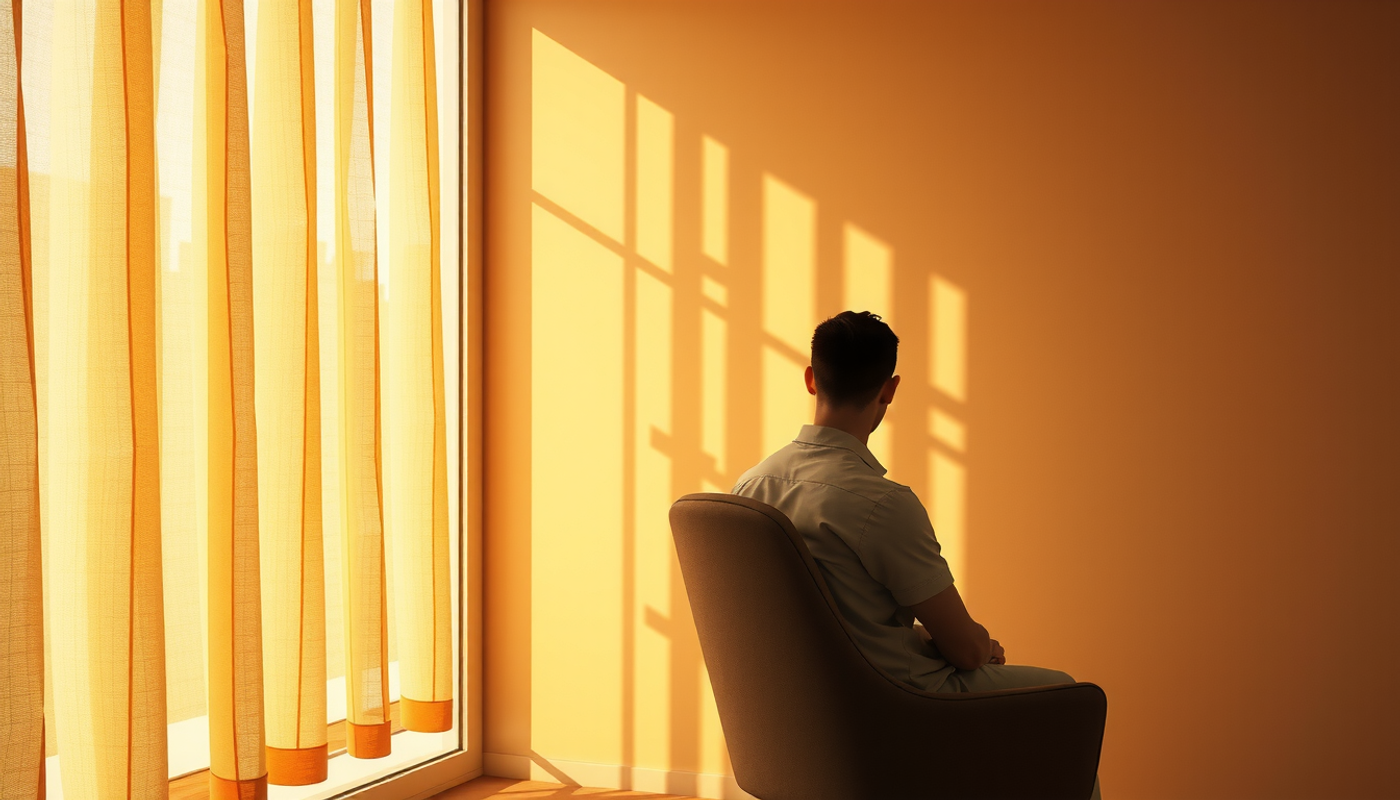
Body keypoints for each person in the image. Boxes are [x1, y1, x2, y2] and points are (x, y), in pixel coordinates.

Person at [732, 311, 1101, 798]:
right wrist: (976, 642)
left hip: (793, 719)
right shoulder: (881, 505)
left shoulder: (749, 487)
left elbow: (814, 617)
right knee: (1065, 694)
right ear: (889, 389)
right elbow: (967, 652)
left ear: (810, 378)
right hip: (892, 709)